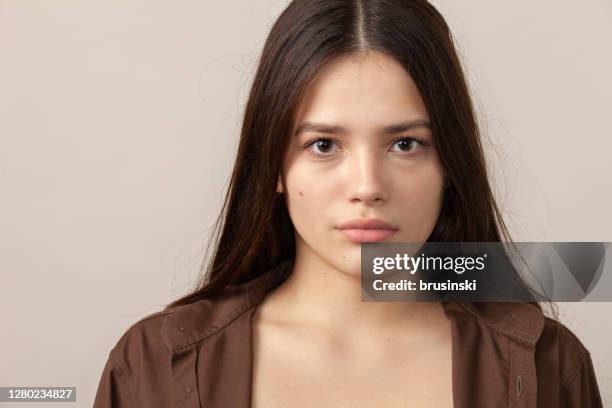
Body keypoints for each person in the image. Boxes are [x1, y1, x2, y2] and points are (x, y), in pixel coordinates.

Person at [93, 0, 603, 407]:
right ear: (273, 163)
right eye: (323, 145)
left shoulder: (549, 366)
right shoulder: (153, 365)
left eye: (405, 144)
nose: (367, 186)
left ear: (450, 162)